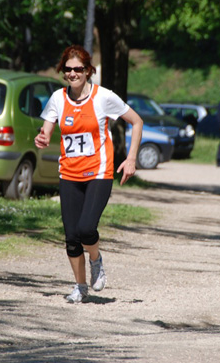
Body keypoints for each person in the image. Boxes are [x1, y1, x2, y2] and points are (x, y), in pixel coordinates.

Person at [35, 45, 143, 303]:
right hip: (69, 173)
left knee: (86, 229)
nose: (73, 74)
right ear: (63, 72)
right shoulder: (58, 99)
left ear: (88, 71)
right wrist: (42, 136)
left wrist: (131, 158)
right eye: (68, 70)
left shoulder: (103, 97)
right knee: (71, 237)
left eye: (78, 69)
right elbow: (47, 131)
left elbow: (137, 121)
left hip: (98, 172)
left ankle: (96, 259)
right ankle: (80, 287)